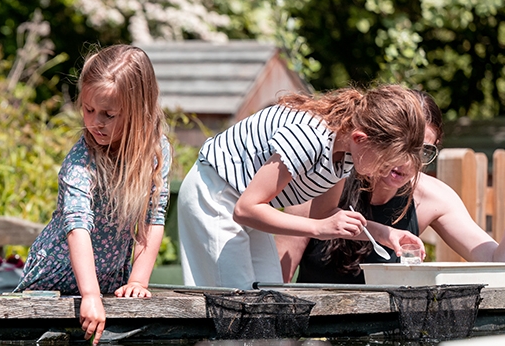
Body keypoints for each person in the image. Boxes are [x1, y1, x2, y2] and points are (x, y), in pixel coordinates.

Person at [177, 84, 426, 289]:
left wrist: (386, 235)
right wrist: (319, 228)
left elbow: (324, 214)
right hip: (215, 194)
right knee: (237, 298)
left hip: (247, 201)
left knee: (268, 290)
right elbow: (246, 209)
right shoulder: (309, 138)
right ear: (360, 139)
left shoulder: (347, 154)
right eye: (384, 163)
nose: (383, 172)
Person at [16, 45, 172, 345]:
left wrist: (138, 280)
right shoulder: (82, 159)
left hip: (109, 280)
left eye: (109, 114)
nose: (95, 122)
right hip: (56, 277)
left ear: (139, 113)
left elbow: (153, 216)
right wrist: (89, 294)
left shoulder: (155, 151)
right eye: (88, 110)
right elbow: (77, 225)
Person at [280, 91, 505, 283]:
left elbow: (500, 264)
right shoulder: (323, 181)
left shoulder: (433, 197)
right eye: (401, 145)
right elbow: (279, 278)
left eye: (422, 150)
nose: (407, 161)